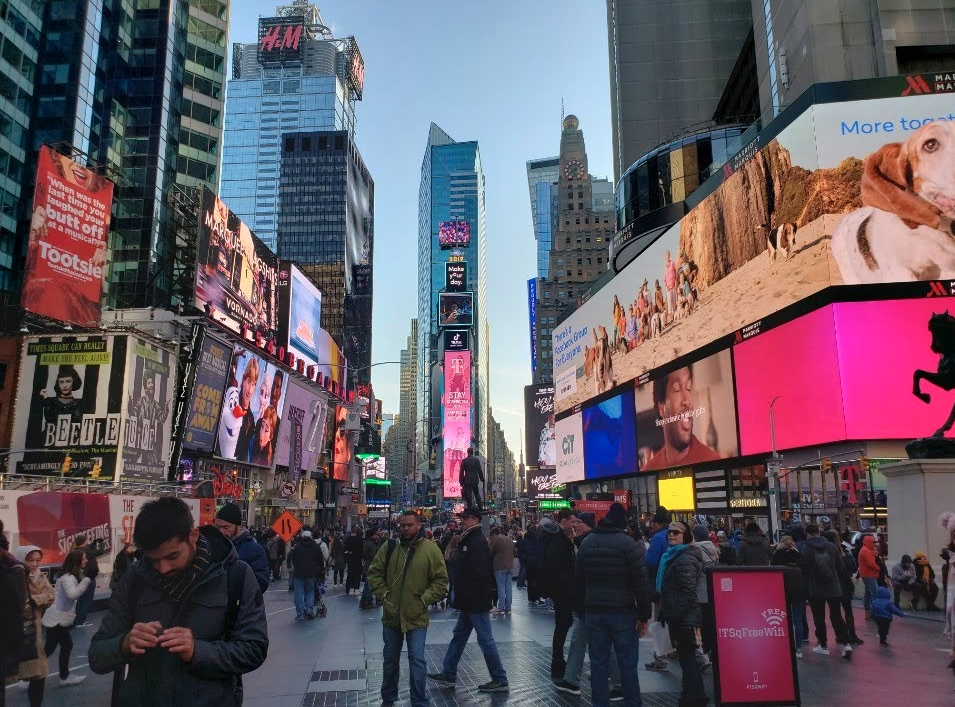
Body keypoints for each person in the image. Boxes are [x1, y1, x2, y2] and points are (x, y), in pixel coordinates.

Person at [89, 496, 268, 706]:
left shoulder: (235, 575)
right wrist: (124, 643)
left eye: (172, 556)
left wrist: (197, 651)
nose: (163, 568)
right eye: (154, 560)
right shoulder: (134, 578)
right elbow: (97, 655)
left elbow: (254, 649)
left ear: (193, 536)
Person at [368, 511, 448, 707]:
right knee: (390, 660)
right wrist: (384, 594)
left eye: (409, 525)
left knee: (417, 660)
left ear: (418, 525)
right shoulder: (389, 547)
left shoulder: (431, 550)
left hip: (416, 615)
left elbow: (441, 581)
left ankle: (419, 700)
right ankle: (388, 698)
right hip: (392, 614)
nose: (405, 528)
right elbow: (374, 573)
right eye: (402, 525)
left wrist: (424, 599)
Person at [576, 502, 651, 707]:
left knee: (598, 664)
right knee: (627, 663)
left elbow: (578, 580)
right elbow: (640, 582)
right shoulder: (628, 544)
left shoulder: (587, 543)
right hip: (623, 612)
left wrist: (581, 610)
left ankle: (599, 703)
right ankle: (633, 703)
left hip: (594, 612)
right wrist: (644, 615)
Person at [428, 507, 508, 693]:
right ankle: (448, 672)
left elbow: (478, 573)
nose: (461, 520)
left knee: (485, 639)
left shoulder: (476, 541)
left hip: (474, 600)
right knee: (460, 635)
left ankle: (499, 678)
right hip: (469, 599)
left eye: (465, 518)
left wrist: (469, 595)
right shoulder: (470, 538)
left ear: (475, 519)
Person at [559, 513, 623, 698]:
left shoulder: (588, 543)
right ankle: (571, 680)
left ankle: (618, 684)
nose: (575, 526)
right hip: (594, 601)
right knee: (582, 640)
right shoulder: (584, 542)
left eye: (578, 522)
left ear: (587, 525)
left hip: (592, 602)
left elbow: (582, 577)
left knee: (601, 643)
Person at [658, 521, 707, 707]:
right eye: (669, 532)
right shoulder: (675, 556)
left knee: (688, 659)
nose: (671, 535)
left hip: (685, 617)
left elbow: (687, 590)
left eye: (676, 533)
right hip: (681, 614)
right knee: (688, 658)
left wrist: (677, 614)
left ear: (685, 536)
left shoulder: (684, 557)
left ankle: (692, 699)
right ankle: (694, 696)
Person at [642, 366, 721, 470]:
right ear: (662, 407)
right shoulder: (650, 469)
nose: (687, 400)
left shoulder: (712, 462)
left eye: (688, 388)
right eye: (677, 389)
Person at [12, 546, 55, 707]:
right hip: (13, 633)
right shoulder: (14, 576)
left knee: (39, 674)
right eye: (30, 560)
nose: (34, 564)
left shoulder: (40, 577)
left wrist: (34, 601)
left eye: (38, 560)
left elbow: (51, 595)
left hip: (33, 632)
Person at [802, 524, 853, 660]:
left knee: (819, 617)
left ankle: (823, 645)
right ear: (818, 533)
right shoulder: (831, 546)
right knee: (836, 616)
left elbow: (805, 569)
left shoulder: (806, 548)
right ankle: (846, 643)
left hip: (815, 588)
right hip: (833, 587)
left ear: (807, 534)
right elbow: (840, 567)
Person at [42, 549, 91, 686]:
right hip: (57, 618)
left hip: (58, 617)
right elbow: (72, 594)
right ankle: (31, 677)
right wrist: (87, 580)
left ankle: (62, 676)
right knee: (55, 647)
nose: (86, 561)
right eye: (84, 558)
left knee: (57, 646)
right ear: (77, 561)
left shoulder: (69, 576)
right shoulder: (68, 578)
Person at [540, 509, 577, 680]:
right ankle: (558, 661)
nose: (574, 524)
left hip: (561, 590)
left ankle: (558, 660)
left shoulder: (560, 538)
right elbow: (556, 566)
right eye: (572, 521)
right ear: (563, 521)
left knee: (563, 624)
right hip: (562, 590)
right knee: (562, 625)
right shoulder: (558, 540)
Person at [214, 504, 270, 594]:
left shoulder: (254, 550)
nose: (221, 531)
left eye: (226, 527)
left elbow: (261, 583)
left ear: (238, 526)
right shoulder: (214, 545)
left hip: (238, 604)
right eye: (218, 527)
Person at [644, 507, 672, 672]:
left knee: (661, 621)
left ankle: (660, 659)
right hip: (677, 585)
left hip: (661, 585)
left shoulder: (658, 538)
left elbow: (651, 562)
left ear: (656, 523)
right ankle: (699, 656)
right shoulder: (675, 535)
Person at [771, 536, 808, 657]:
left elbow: (772, 569)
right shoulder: (797, 554)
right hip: (798, 589)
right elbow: (805, 570)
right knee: (797, 620)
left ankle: (784, 645)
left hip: (782, 588)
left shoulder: (777, 555)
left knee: (781, 619)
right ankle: (798, 648)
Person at [692, 523, 719, 668]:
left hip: (700, 593)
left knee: (699, 626)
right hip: (712, 592)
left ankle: (703, 654)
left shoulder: (697, 551)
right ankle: (713, 651)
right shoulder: (714, 549)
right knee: (711, 623)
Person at [288, 529, 325, 620]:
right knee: (310, 592)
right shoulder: (315, 547)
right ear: (310, 537)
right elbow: (320, 561)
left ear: (303, 537)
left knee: (299, 593)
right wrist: (321, 571)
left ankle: (300, 614)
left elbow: (293, 558)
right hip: (311, 573)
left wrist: (294, 567)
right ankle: (309, 611)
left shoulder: (297, 547)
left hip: (299, 573)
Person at [72, 534, 105, 628]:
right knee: (86, 600)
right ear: (84, 542)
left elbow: (90, 549)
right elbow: (100, 551)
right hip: (89, 578)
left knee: (80, 600)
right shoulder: (87, 551)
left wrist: (94, 543)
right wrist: (101, 543)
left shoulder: (76, 551)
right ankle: (81, 621)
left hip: (80, 578)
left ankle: (76, 620)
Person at [488, 526, 514, 614]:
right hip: (510, 566)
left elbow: (490, 552)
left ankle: (501, 607)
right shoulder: (509, 540)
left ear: (493, 534)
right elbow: (514, 552)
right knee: (509, 587)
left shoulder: (496, 539)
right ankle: (508, 607)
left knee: (501, 587)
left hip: (500, 566)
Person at [858, 534, 880, 620]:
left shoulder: (865, 549)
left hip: (866, 574)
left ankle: (868, 614)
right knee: (874, 594)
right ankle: (874, 614)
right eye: (873, 542)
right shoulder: (866, 551)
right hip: (869, 575)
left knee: (868, 594)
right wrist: (878, 568)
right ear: (868, 542)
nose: (874, 544)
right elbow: (871, 564)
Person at [360, 529, 381, 609]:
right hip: (371, 566)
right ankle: (368, 601)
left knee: (367, 584)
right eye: (376, 534)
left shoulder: (366, 542)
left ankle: (363, 601)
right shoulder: (372, 544)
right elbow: (374, 556)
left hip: (367, 565)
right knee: (369, 585)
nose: (377, 535)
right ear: (372, 535)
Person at [345, 530, 364, 595]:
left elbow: (348, 549)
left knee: (351, 575)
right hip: (359, 560)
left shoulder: (352, 540)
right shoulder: (362, 541)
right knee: (358, 575)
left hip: (352, 560)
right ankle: (356, 589)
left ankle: (351, 589)